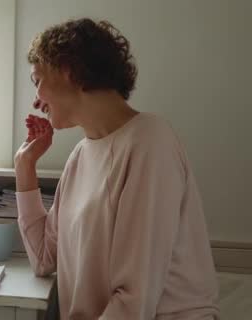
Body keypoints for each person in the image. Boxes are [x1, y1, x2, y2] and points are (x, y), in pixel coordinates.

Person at [15, 18, 219, 319]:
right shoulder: (80, 157)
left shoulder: (151, 141)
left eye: (37, 81)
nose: (36, 100)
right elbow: (45, 259)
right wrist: (24, 166)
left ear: (68, 69)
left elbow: (134, 302)